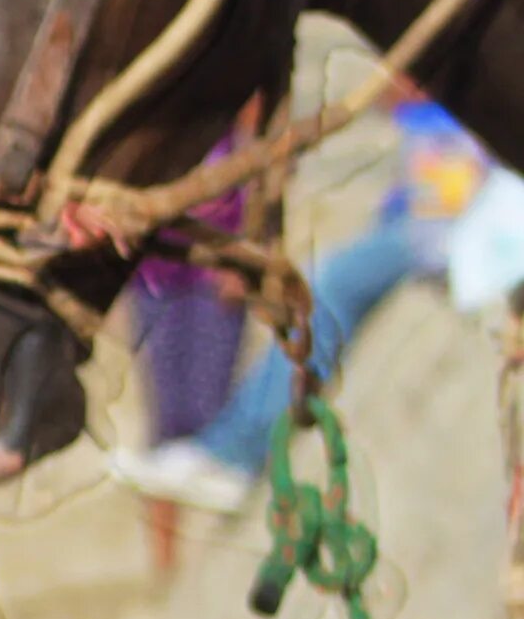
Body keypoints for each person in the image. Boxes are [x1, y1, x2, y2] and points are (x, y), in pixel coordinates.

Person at [113, 101, 491, 514]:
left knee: (326, 287)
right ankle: (218, 453)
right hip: (164, 276)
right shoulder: (441, 105)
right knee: (168, 414)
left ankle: (234, 451)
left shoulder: (474, 100)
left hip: (446, 233)